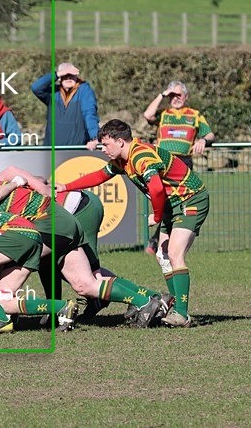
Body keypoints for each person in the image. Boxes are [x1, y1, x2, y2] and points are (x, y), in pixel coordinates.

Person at [56, 119, 210, 327]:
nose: (103, 149)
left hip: (190, 200)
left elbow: (156, 188)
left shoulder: (141, 156)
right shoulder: (122, 160)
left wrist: (157, 216)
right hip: (172, 204)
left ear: (120, 142)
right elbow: (100, 175)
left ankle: (182, 314)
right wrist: (66, 186)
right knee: (163, 256)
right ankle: (173, 307)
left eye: (106, 144)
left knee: (175, 254)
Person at [142, 81, 214, 254]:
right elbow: (147, 115)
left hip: (183, 162)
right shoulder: (164, 114)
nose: (175, 98)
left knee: (181, 201)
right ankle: (160, 240)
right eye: (172, 95)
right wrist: (162, 94)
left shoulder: (194, 114)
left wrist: (203, 140)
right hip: (162, 161)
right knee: (165, 200)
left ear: (186, 96)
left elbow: (210, 134)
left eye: (178, 95)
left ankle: (166, 239)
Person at [31, 62, 99, 148]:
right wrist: (56, 74)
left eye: (71, 75)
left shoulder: (84, 91)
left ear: (76, 76)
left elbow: (90, 114)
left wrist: (95, 137)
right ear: (59, 78)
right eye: (65, 75)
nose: (68, 78)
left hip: (76, 150)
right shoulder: (53, 93)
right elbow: (35, 88)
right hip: (52, 151)